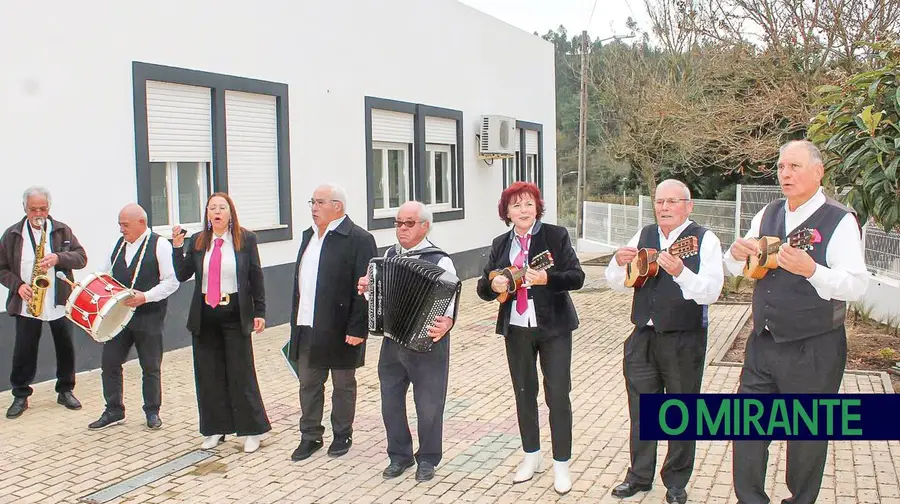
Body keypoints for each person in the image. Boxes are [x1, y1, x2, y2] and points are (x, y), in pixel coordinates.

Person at [726, 140, 868, 504]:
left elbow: (855, 284)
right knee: (747, 432)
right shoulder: (768, 213)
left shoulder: (839, 220)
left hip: (814, 347)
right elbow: (741, 265)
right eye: (781, 167)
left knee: (805, 441)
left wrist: (813, 271)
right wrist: (736, 254)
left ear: (818, 172)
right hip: (763, 343)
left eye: (795, 167)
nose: (785, 174)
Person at [604, 179, 724, 504]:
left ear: (689, 205)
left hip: (684, 339)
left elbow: (712, 291)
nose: (665, 207)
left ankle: (676, 482)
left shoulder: (703, 240)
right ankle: (640, 477)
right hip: (642, 336)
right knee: (642, 411)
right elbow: (616, 282)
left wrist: (682, 272)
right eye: (660, 201)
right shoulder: (644, 235)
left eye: (673, 201)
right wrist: (617, 263)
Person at [476, 181, 585, 495]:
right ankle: (531, 456)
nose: (522, 211)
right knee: (524, 394)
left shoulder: (555, 236)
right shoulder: (500, 243)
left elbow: (577, 276)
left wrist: (547, 278)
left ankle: (561, 464)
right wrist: (494, 285)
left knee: (558, 395)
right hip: (517, 327)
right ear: (506, 212)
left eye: (528, 204)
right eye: (515, 206)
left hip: (554, 328)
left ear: (537, 207)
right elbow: (484, 287)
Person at [356, 201, 456, 482]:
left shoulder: (440, 260)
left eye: (409, 223)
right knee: (390, 402)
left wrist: (447, 321)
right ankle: (399, 456)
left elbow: (450, 303)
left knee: (429, 405)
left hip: (427, 344)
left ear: (425, 226)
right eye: (398, 222)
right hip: (393, 341)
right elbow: (377, 298)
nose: (401, 228)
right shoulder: (387, 256)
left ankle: (427, 459)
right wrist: (367, 288)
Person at [172, 192, 270, 454]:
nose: (217, 212)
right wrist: (177, 248)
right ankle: (215, 428)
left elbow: (255, 277)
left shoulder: (245, 239)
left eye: (222, 207)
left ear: (230, 213)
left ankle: (252, 430)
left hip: (234, 312)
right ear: (207, 214)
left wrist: (259, 311)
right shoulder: (198, 241)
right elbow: (183, 274)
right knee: (208, 374)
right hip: (205, 315)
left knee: (241, 373)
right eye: (212, 208)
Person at [288, 184, 377, 462]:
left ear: (337, 206)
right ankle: (310, 435)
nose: (313, 207)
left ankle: (342, 434)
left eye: (319, 202)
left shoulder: (358, 238)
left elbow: (365, 288)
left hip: (341, 327)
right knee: (308, 383)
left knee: (343, 385)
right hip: (307, 323)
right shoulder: (309, 236)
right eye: (312, 202)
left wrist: (357, 327)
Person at [87, 203, 179, 430]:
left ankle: (152, 411)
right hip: (119, 318)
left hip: (149, 315)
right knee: (109, 362)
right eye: (119, 225)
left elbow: (172, 281)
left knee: (150, 365)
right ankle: (114, 410)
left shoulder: (160, 245)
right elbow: (105, 275)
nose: (121, 230)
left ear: (142, 223)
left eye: (125, 225)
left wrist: (146, 297)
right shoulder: (118, 245)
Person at [0, 186, 87, 419]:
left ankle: (65, 390)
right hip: (28, 301)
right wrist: (18, 286)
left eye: (43, 208)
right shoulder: (12, 235)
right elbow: (1, 269)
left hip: (58, 300)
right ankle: (20, 395)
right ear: (24, 208)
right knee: (24, 350)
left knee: (65, 347)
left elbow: (81, 258)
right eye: (33, 209)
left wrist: (59, 257)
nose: (39, 213)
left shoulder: (61, 230)